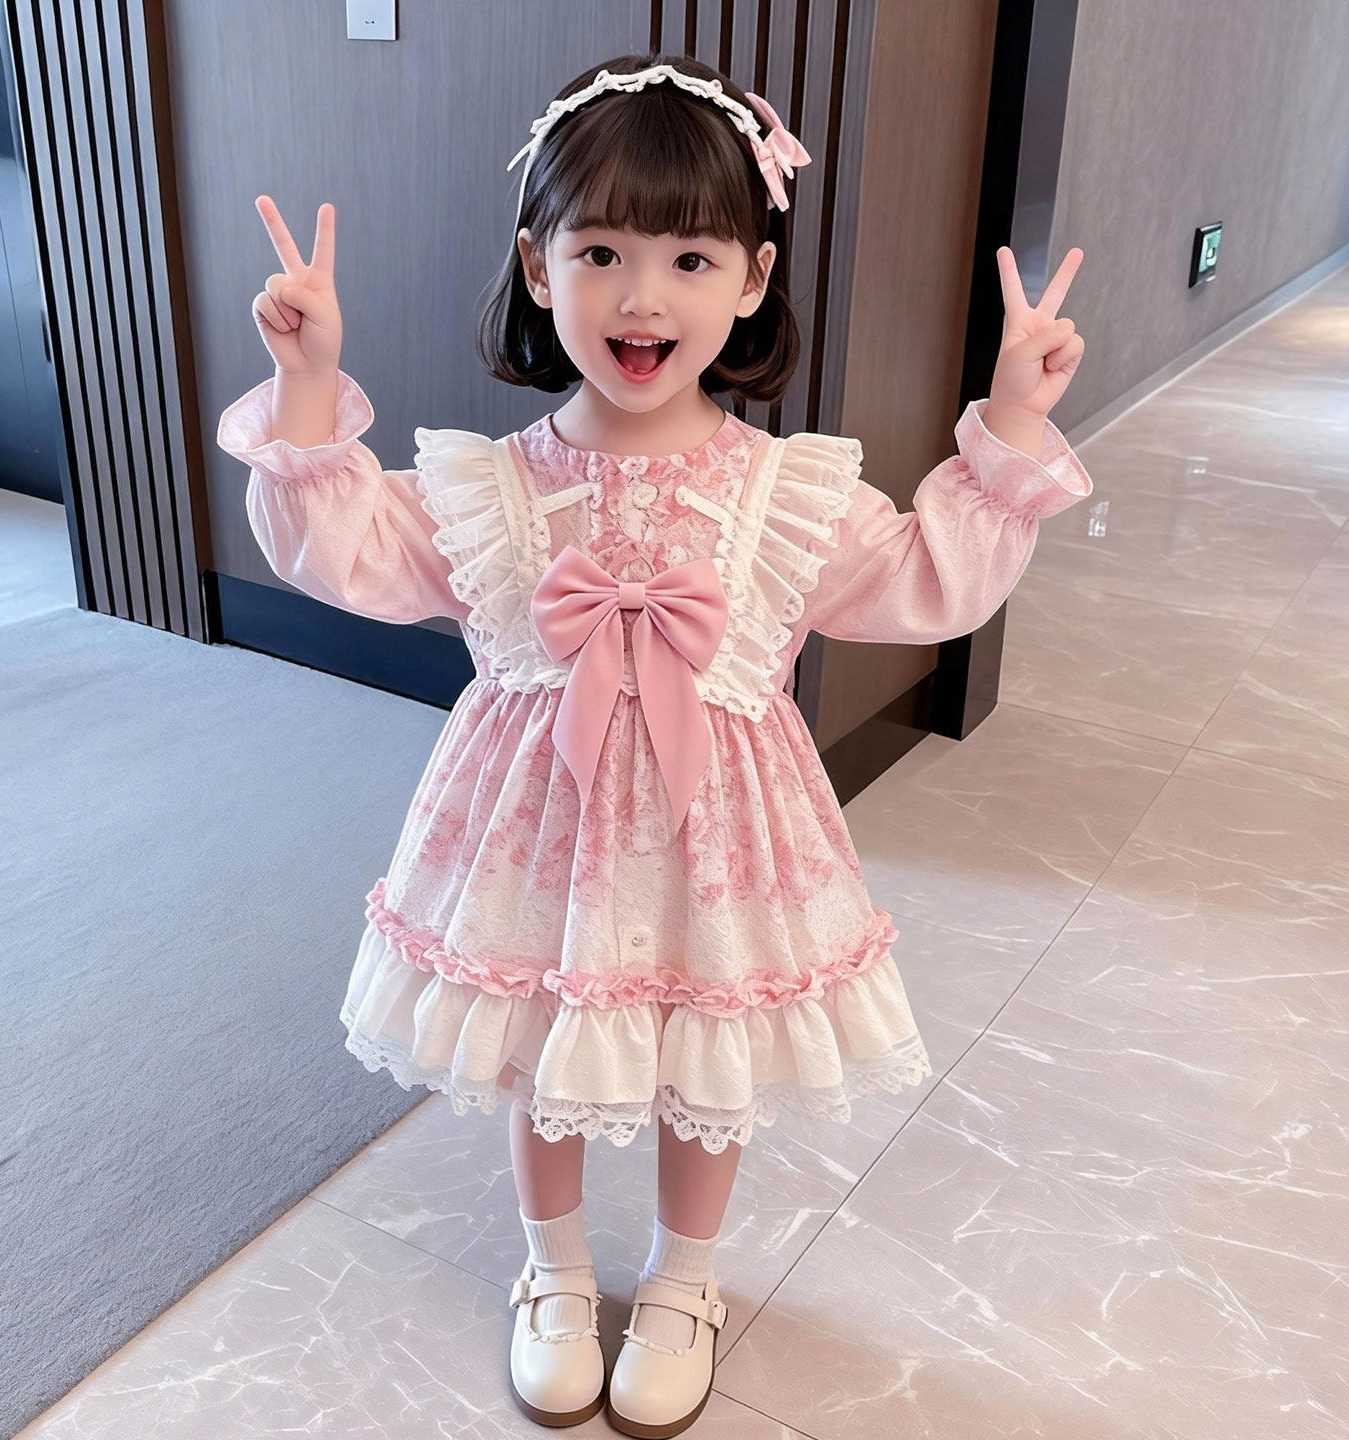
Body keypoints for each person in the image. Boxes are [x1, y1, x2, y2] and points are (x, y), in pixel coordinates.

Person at [216, 52, 1092, 1437]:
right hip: (540, 839)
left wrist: (1018, 420)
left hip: (718, 843)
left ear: (750, 280)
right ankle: (554, 1269)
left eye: (691, 258)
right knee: (550, 1047)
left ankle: (686, 1279)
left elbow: (926, 580)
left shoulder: (787, 492)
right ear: (537, 263)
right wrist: (308, 384)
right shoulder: (490, 487)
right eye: (602, 253)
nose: (643, 297)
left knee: (701, 1058)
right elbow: (342, 549)